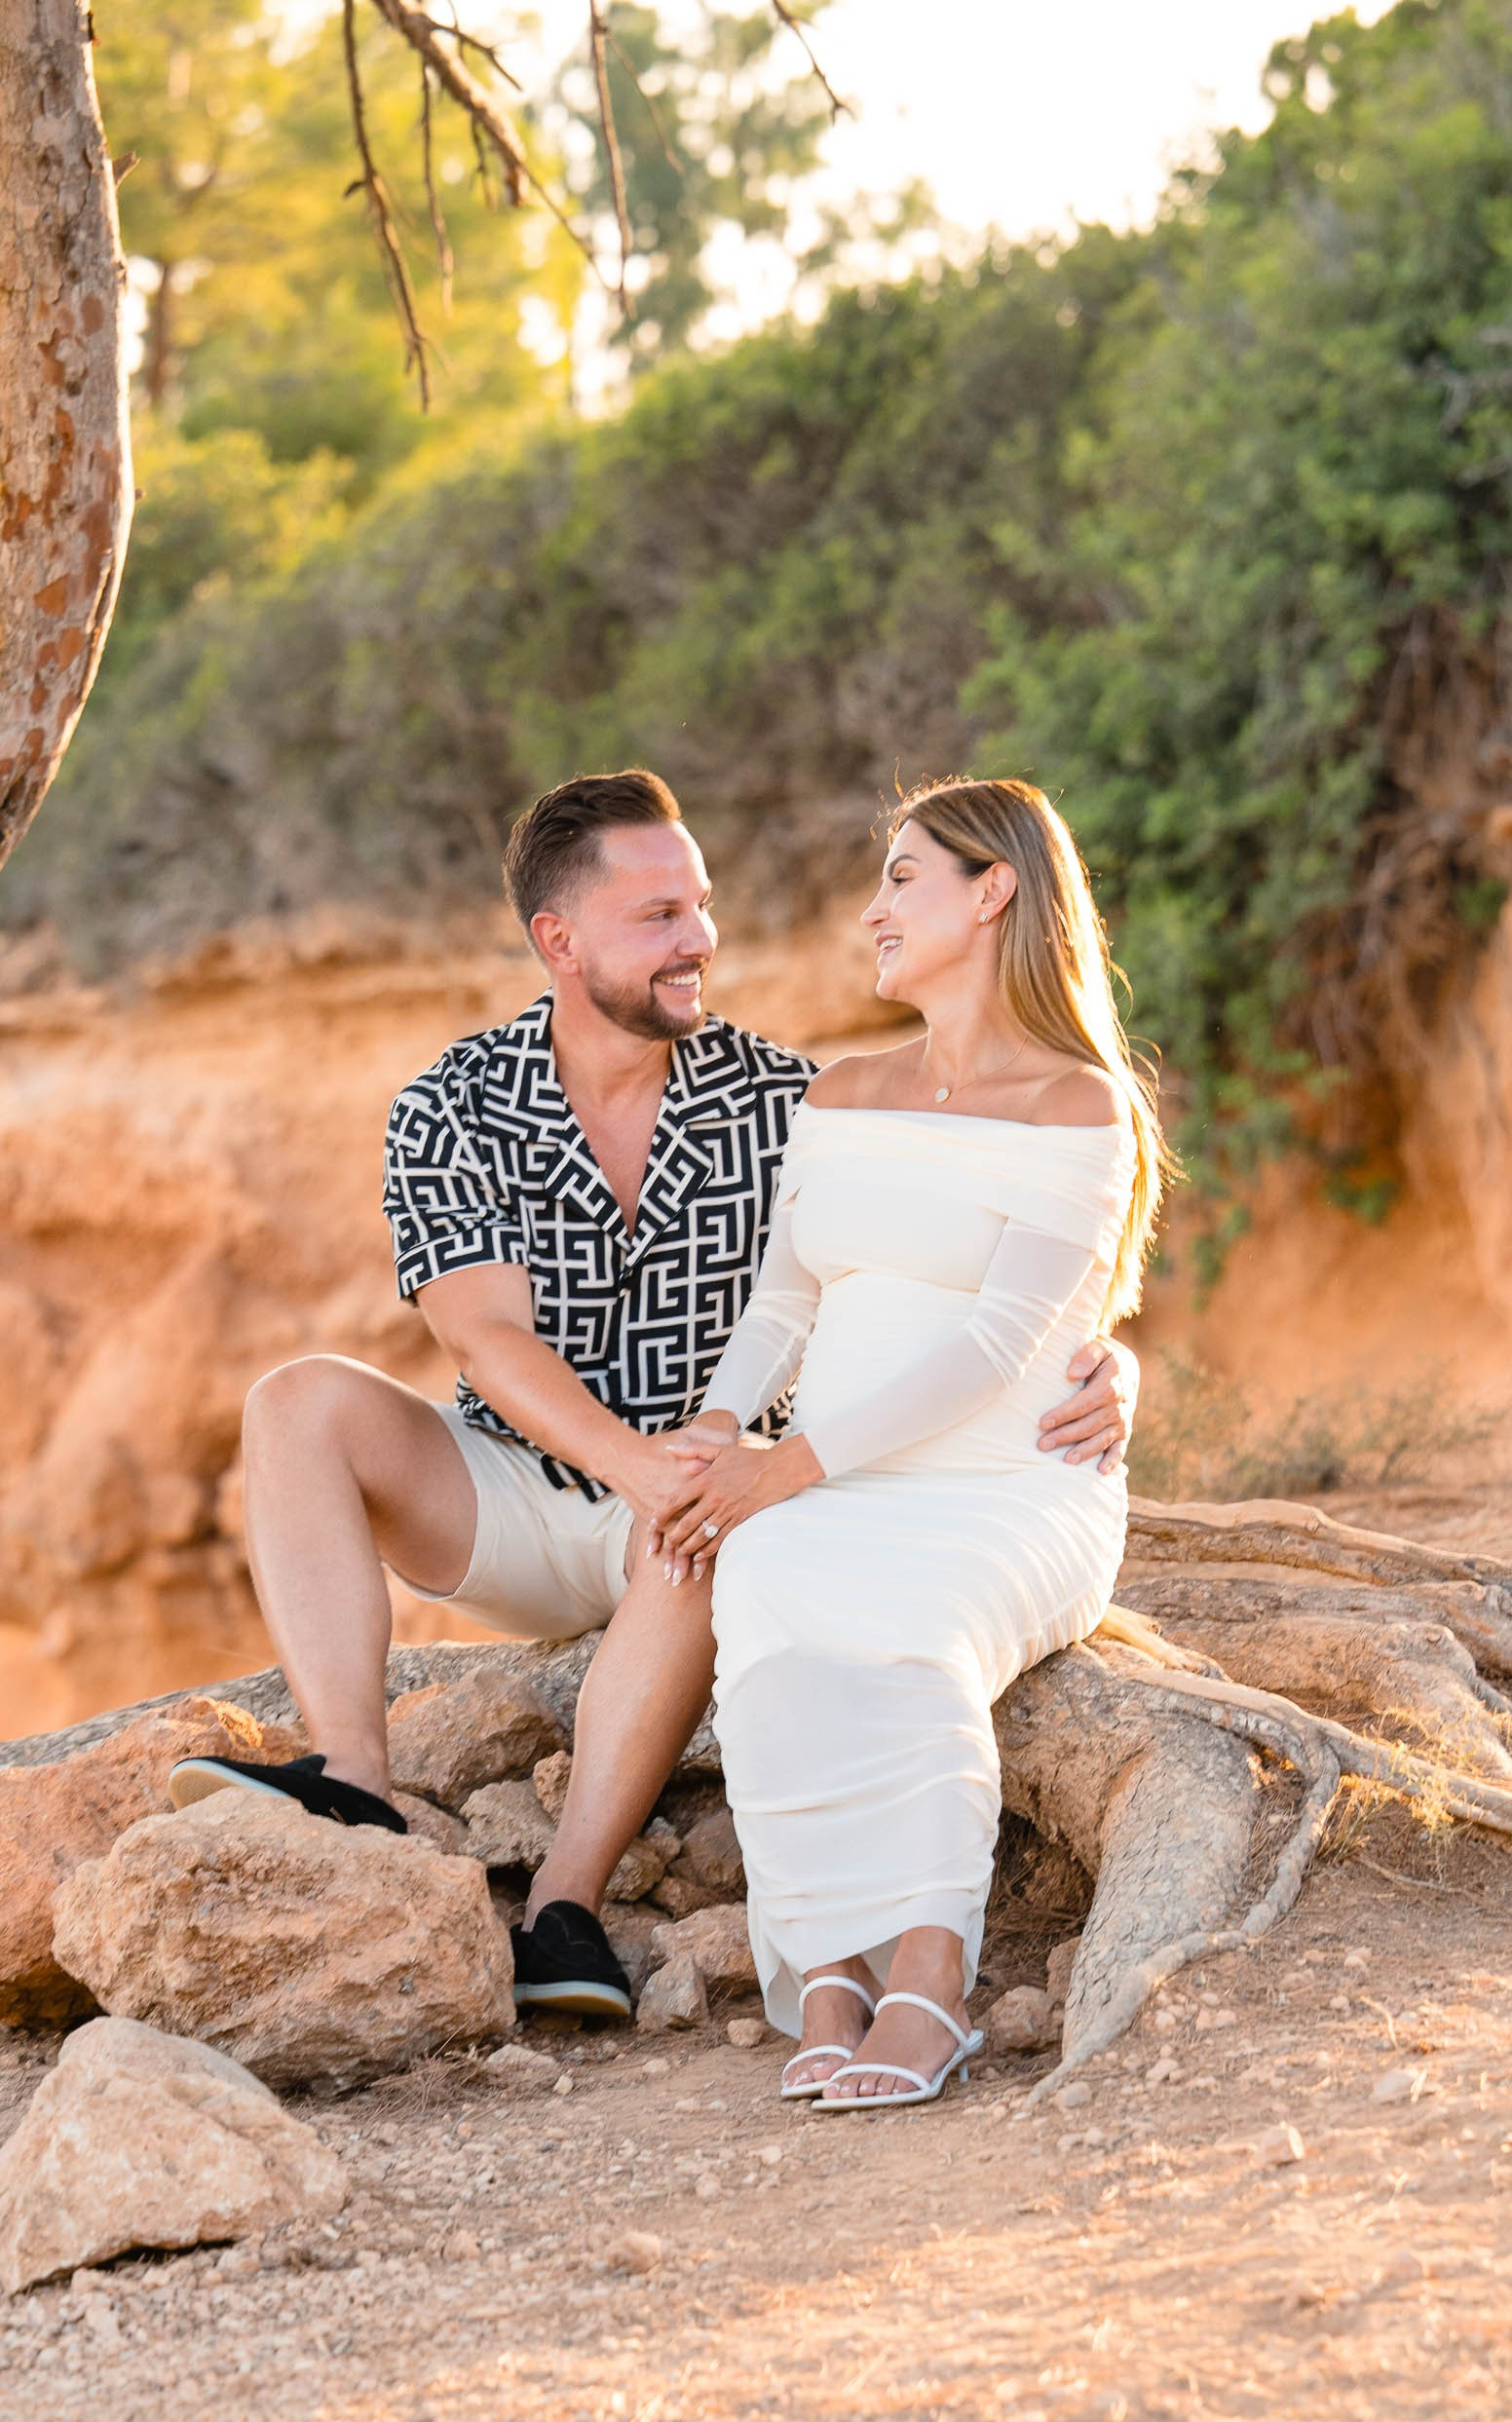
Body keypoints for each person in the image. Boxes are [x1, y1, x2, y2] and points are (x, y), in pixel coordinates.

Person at [169, 768, 1136, 2025]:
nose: (701, 943)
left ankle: (562, 1915)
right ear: (558, 942)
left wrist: (1113, 1361)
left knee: (704, 1527)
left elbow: (961, 1257)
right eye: (660, 918)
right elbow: (486, 1339)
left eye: (702, 906)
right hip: (527, 1491)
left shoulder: (787, 1098)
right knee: (298, 1400)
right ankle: (354, 1773)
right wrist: (637, 1463)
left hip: (707, 1506)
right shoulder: (451, 1106)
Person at [656, 776, 1170, 2107]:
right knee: (767, 1583)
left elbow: (1005, 1343)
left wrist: (790, 1468)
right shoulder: (844, 1091)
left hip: (1009, 1488)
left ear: (993, 888)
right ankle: (831, 1978)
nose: (874, 909)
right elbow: (788, 1292)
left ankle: (931, 1984)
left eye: (903, 876)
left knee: (914, 1622)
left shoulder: (1077, 1106)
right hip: (835, 1477)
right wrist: (721, 1429)